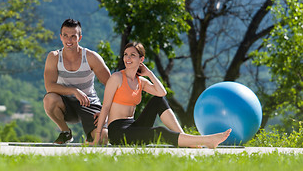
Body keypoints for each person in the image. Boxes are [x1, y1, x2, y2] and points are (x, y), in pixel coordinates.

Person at [92, 42, 231, 148]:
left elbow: (162, 93)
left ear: (141, 59)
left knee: (158, 100)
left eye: (132, 55)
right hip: (118, 132)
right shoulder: (116, 78)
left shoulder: (141, 81)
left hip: (133, 126)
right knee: (159, 132)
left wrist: (149, 74)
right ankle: (207, 141)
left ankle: (184, 137)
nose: (127, 58)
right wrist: (97, 137)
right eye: (125, 54)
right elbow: (105, 108)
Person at [43, 18, 111, 144]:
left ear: (79, 38)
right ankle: (66, 132)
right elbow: (49, 86)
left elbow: (112, 85)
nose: (69, 40)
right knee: (49, 99)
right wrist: (74, 91)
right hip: (66, 104)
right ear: (61, 37)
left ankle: (90, 139)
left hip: (89, 102)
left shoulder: (91, 57)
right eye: (65, 36)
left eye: (73, 36)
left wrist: (105, 111)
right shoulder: (54, 57)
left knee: (102, 139)